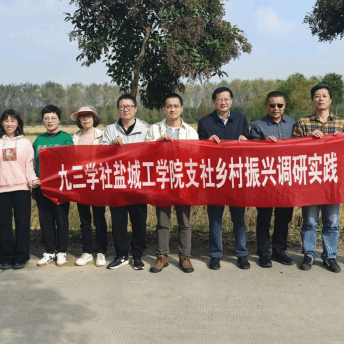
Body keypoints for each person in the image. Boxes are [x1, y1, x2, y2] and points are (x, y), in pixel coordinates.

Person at [293, 84, 344, 273]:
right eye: (317, 96)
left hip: (332, 180)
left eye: (324, 96)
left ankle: (330, 256)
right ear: (312, 100)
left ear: (330, 100)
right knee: (309, 221)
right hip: (310, 180)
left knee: (331, 222)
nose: (321, 99)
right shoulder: (303, 123)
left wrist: (341, 139)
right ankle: (309, 255)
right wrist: (308, 138)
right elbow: (293, 149)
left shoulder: (341, 124)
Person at [197, 86, 250, 270]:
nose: (223, 102)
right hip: (215, 176)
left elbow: (250, 145)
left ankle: (242, 254)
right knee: (215, 219)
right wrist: (207, 142)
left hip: (237, 175)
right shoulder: (205, 122)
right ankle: (215, 255)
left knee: (239, 218)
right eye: (219, 99)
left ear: (231, 101)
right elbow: (198, 150)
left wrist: (246, 140)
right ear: (214, 102)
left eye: (226, 99)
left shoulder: (241, 119)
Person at [145, 93, 198, 273]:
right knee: (162, 220)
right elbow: (145, 152)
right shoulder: (154, 129)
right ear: (164, 109)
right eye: (169, 106)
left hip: (183, 180)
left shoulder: (190, 131)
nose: (172, 109)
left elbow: (196, 156)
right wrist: (158, 143)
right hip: (162, 180)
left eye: (176, 106)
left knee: (184, 221)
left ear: (181, 108)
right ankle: (162, 256)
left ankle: (185, 256)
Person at [0, 110, 39, 270]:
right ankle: (6, 257)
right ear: (1, 123)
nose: (9, 124)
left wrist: (33, 181)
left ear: (18, 123)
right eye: (6, 120)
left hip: (22, 190)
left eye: (13, 120)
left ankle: (21, 257)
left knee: (23, 224)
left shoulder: (25, 143)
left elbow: (29, 166)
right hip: (1, 191)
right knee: (4, 226)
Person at [101, 94, 149, 270]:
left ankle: (137, 256)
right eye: (122, 107)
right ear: (118, 110)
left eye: (129, 106)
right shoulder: (110, 130)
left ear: (135, 109)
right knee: (118, 221)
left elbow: (152, 152)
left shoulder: (145, 128)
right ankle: (121, 254)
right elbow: (101, 153)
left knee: (139, 221)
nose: (126, 109)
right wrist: (111, 144)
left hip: (138, 182)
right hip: (117, 182)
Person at [250, 91, 296, 268]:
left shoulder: (292, 123)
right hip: (266, 178)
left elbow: (302, 146)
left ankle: (279, 251)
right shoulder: (258, 125)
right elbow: (252, 151)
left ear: (284, 106)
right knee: (264, 217)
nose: (276, 108)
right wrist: (264, 144)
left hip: (286, 177)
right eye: (272, 105)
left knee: (284, 217)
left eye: (279, 105)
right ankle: (263, 253)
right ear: (266, 106)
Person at [33, 105, 74, 267]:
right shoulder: (39, 140)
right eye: (46, 118)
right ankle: (49, 251)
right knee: (45, 219)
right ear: (43, 121)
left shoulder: (65, 138)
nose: (50, 121)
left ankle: (61, 251)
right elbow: (32, 162)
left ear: (59, 120)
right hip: (42, 186)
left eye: (53, 118)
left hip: (60, 186)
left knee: (61, 218)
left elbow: (71, 160)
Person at [70, 105, 107, 268]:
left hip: (98, 181)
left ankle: (100, 251)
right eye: (82, 116)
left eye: (88, 116)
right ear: (79, 120)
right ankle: (87, 251)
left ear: (94, 118)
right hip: (81, 182)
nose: (85, 119)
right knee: (84, 219)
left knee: (99, 218)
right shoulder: (74, 138)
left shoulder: (103, 135)